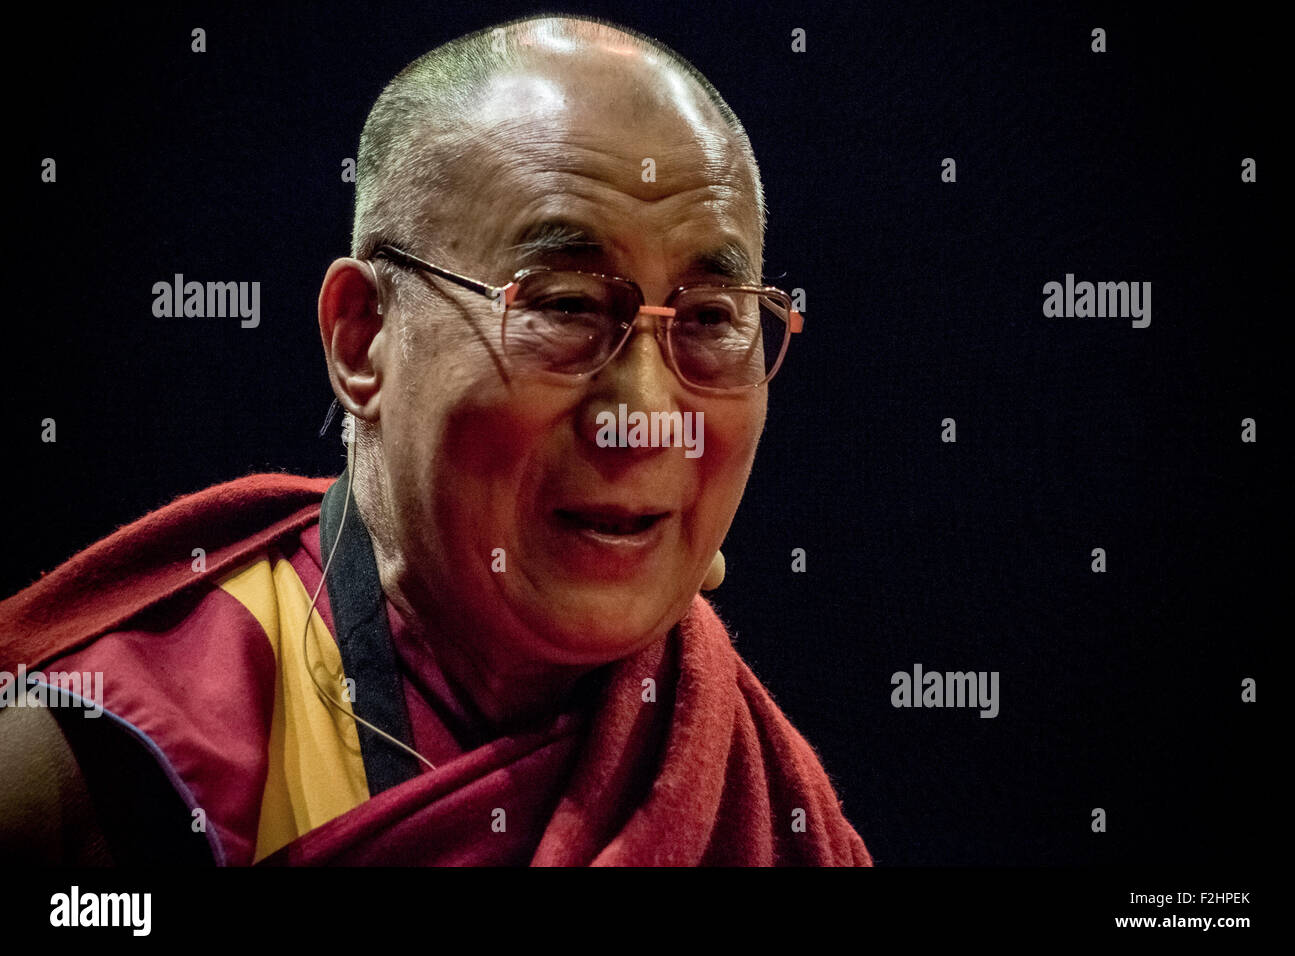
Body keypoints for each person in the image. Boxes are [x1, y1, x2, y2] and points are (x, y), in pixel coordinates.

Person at [0, 14, 871, 866]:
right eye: (564, 305)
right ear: (362, 338)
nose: (643, 412)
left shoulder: (746, 784)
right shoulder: (109, 769)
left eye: (712, 317)